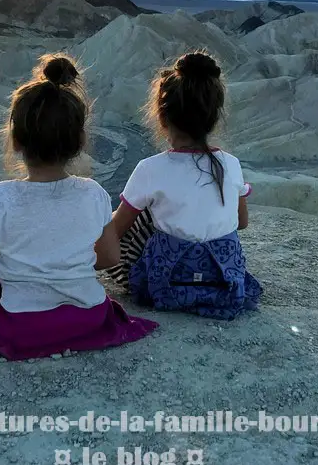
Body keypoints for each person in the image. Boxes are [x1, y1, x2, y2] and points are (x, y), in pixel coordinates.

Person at [0, 53, 158, 360]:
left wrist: (3, 267)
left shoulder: (0, 196)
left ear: (16, 141)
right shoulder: (93, 194)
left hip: (22, 325)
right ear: (79, 141)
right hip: (87, 318)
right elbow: (110, 256)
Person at [107, 51, 261, 320]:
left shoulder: (150, 168)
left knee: (139, 215)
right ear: (213, 118)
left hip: (163, 288)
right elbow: (242, 222)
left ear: (163, 119)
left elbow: (116, 231)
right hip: (224, 283)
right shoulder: (231, 164)